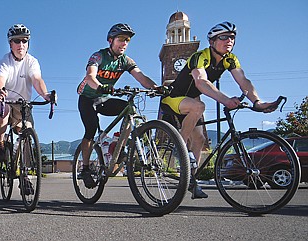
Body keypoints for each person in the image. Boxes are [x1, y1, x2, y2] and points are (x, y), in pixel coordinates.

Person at [161, 21, 278, 199]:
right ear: (212, 42)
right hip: (174, 98)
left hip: (192, 101)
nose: (229, 40)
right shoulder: (199, 56)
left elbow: (243, 81)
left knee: (200, 140)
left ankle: (191, 181)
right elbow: (201, 81)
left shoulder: (230, 59)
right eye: (223, 37)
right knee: (199, 106)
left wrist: (257, 102)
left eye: (232, 37)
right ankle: (181, 148)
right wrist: (225, 100)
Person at [77, 23, 163, 188]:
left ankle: (119, 147)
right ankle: (86, 168)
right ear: (111, 40)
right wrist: (101, 86)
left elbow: (141, 77)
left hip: (104, 99)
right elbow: (90, 76)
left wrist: (157, 88)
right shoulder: (98, 56)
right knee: (91, 129)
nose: (124, 43)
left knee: (129, 111)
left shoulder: (126, 61)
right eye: (121, 39)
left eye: (127, 40)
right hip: (88, 98)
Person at [0, 23, 53, 165]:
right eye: (17, 41)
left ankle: (24, 175)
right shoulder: (4, 62)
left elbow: (37, 80)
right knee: (4, 111)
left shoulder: (32, 62)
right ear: (10, 44)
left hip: (22, 105)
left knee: (27, 131)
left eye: (24, 41)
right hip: (4, 100)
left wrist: (46, 94)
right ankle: (0, 145)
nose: (21, 44)